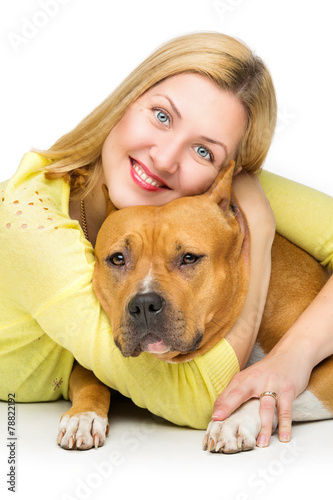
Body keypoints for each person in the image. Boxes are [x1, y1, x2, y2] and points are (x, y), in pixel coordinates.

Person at [1, 32, 332, 444]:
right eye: (161, 115)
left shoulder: (212, 194)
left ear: (228, 173)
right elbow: (196, 401)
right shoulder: (25, 221)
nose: (164, 157)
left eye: (204, 150)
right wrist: (260, 234)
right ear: (126, 100)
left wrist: (292, 358)